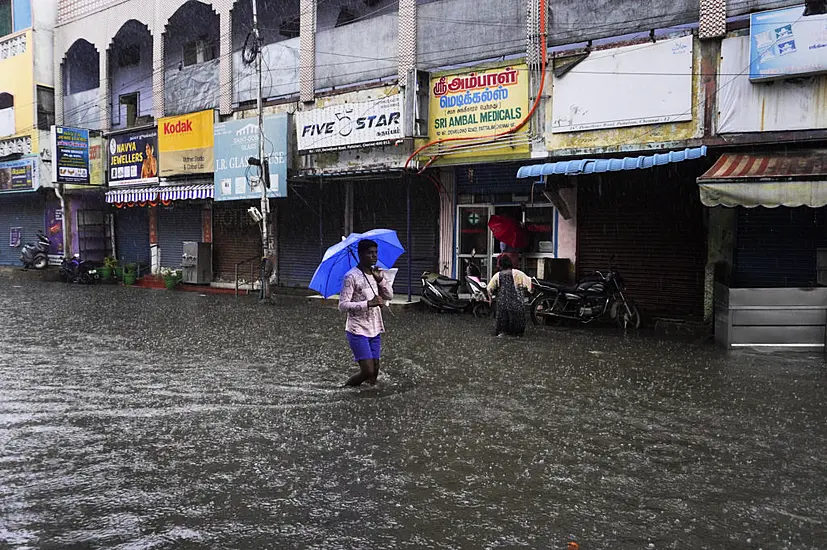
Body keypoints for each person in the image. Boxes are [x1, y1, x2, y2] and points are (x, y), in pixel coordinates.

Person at [338, 239, 394, 386]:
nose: (374, 256)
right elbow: (342, 305)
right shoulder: (351, 277)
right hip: (357, 329)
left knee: (375, 371)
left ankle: (369, 399)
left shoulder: (376, 274)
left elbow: (389, 295)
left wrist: (381, 281)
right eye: (370, 253)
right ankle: (345, 389)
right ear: (361, 254)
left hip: (375, 328)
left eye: (376, 252)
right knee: (367, 370)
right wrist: (368, 304)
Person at [487, 254, 532, 337]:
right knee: (517, 331)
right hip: (516, 304)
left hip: (502, 305)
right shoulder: (518, 273)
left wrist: (490, 298)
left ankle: (503, 333)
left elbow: (489, 288)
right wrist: (529, 293)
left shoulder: (497, 275)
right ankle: (516, 334)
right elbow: (529, 283)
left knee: (503, 329)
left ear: (501, 265)